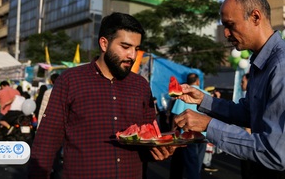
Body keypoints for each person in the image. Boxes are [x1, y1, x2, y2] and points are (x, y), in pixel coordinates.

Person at [174, 0, 285, 179]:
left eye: (230, 25)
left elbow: (275, 152)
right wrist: (204, 101)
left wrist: (208, 125)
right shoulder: (261, 62)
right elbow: (250, 113)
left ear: (255, 17)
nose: (226, 33)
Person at [29, 12, 176, 178]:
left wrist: (159, 151)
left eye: (136, 49)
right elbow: (46, 142)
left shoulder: (141, 85)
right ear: (104, 44)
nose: (133, 56)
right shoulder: (70, 81)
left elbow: (146, 140)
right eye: (125, 47)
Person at [170, 73, 210, 178]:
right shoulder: (206, 95)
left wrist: (172, 134)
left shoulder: (183, 95)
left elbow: (176, 116)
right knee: (198, 162)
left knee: (191, 163)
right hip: (204, 134)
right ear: (197, 81)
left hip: (188, 135)